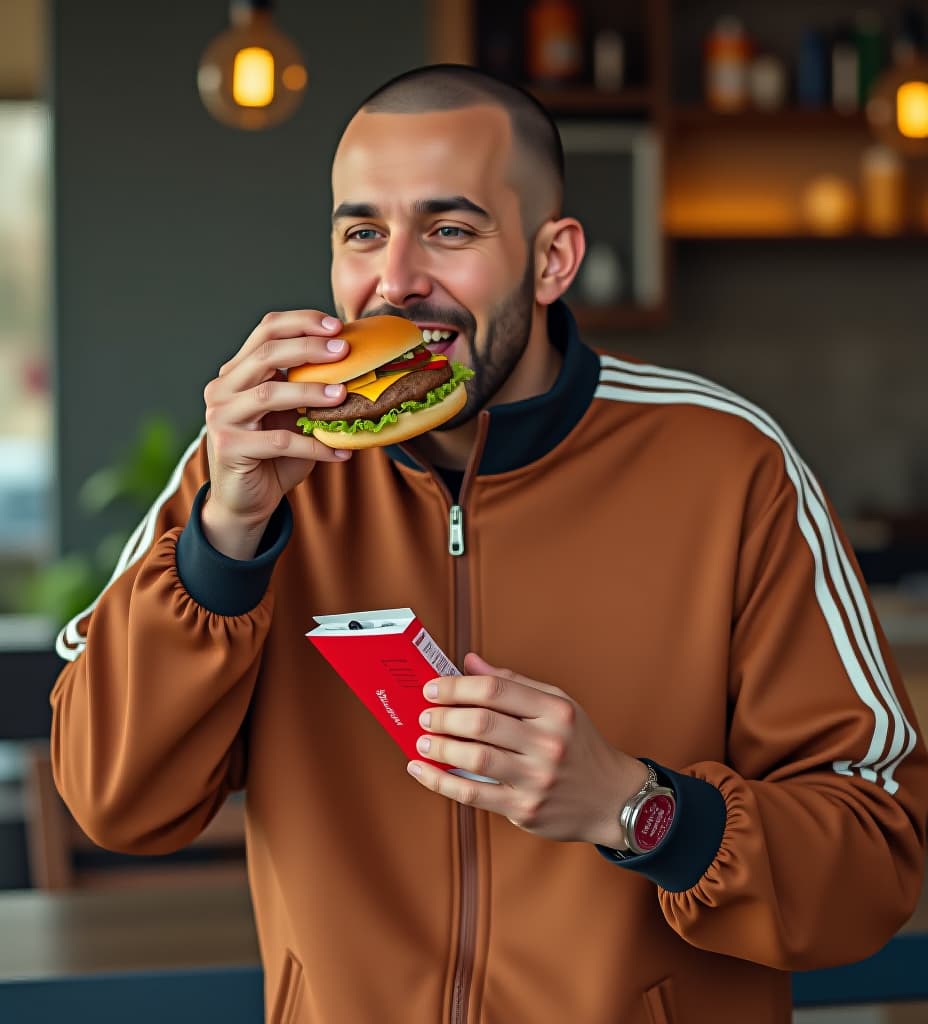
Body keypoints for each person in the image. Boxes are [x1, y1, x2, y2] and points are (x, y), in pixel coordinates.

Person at [51, 64, 927, 1024]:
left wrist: (636, 808)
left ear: (552, 261)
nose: (396, 279)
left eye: (450, 230)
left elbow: (877, 865)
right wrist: (226, 538)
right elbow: (114, 804)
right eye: (362, 233)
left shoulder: (733, 467)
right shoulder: (247, 468)